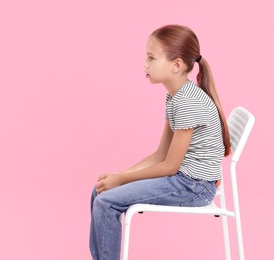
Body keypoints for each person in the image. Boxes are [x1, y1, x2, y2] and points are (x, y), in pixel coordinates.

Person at [89, 24, 231, 260]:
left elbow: (169, 166)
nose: (145, 64)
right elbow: (160, 153)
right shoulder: (175, 96)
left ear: (176, 65)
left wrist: (122, 179)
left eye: (152, 58)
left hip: (194, 186)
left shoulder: (188, 102)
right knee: (100, 192)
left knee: (106, 203)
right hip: (183, 179)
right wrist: (119, 175)